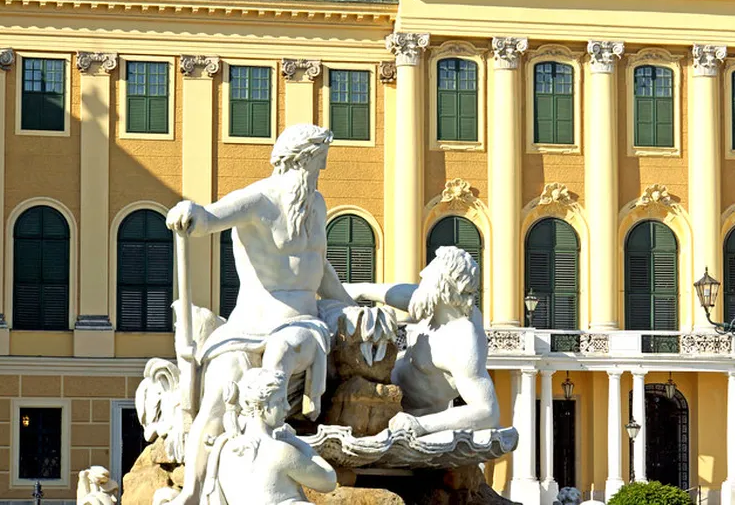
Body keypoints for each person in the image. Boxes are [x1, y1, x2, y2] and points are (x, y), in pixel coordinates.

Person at [162, 124, 373, 505]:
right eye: (320, 160)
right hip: (247, 326)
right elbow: (209, 218)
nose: (322, 169)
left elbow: (319, 267)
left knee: (282, 353)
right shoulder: (259, 200)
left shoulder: (317, 203)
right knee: (218, 392)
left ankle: (269, 463)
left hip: (302, 322)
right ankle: (192, 492)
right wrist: (189, 211)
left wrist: (350, 306)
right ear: (304, 158)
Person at [346, 246, 499, 435]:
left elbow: (487, 411)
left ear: (442, 284)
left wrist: (421, 425)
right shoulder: (437, 307)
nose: (422, 272)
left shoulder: (462, 340)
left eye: (429, 274)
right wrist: (360, 290)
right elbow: (404, 294)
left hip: (396, 413)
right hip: (379, 382)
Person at [205, 368, 337, 505]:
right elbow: (329, 481)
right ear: (260, 406)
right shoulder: (280, 451)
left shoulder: (224, 448)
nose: (287, 407)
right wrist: (300, 444)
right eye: (280, 401)